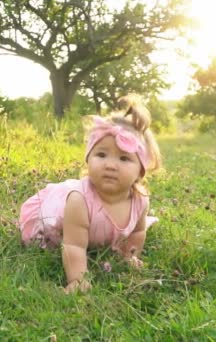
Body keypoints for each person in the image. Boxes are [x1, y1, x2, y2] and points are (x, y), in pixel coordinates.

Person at [18, 94, 162, 294]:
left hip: (94, 225)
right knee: (54, 241)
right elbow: (74, 245)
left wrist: (129, 255)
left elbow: (138, 233)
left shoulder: (140, 200)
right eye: (101, 155)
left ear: (141, 169)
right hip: (60, 223)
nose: (110, 165)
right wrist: (78, 279)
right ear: (88, 158)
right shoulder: (79, 201)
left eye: (124, 158)